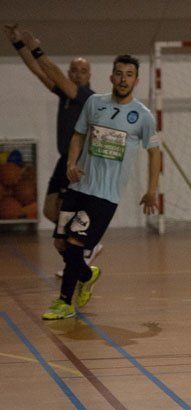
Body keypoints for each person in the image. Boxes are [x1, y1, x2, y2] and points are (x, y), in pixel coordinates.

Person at [42, 55, 161, 320]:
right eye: (119, 73)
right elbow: (78, 135)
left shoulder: (143, 116)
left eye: (129, 74)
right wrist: (72, 162)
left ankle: (64, 302)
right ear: (111, 77)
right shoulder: (94, 103)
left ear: (136, 80)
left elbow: (155, 152)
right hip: (78, 186)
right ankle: (88, 274)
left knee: (74, 245)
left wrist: (152, 190)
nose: (123, 79)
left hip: (104, 197)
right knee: (61, 245)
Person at [3, 24, 103, 271]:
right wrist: (18, 44)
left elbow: (51, 69)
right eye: (75, 71)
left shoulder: (85, 96)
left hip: (79, 162)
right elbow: (39, 71)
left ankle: (83, 249)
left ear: (89, 76)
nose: (78, 74)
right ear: (71, 73)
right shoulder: (65, 95)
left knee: (70, 212)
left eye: (83, 71)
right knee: (50, 211)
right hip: (64, 159)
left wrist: (36, 47)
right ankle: (85, 244)